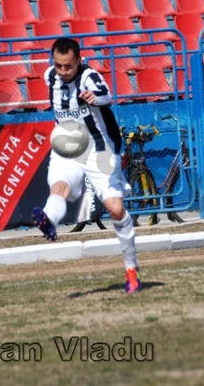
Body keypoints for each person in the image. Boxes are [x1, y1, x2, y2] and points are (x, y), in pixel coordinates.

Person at [31, 38, 140, 294]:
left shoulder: (89, 77)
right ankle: (49, 221)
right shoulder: (50, 77)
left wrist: (94, 98)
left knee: (115, 209)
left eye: (68, 66)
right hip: (68, 146)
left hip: (98, 150)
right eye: (58, 66)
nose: (63, 71)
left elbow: (106, 95)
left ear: (78, 61)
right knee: (59, 188)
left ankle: (131, 268)